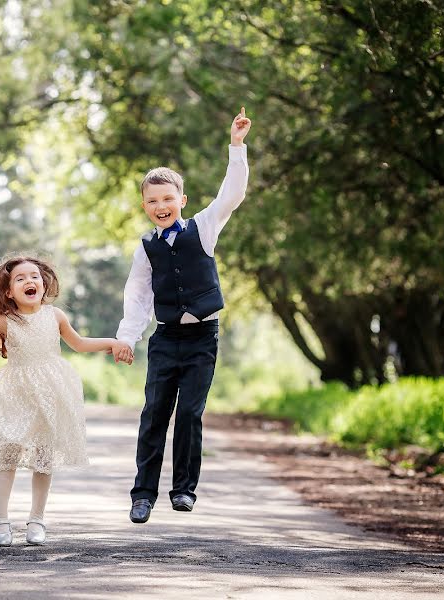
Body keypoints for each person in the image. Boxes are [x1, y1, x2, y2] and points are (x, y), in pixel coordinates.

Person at [115, 108, 252, 523]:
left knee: (190, 413)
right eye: (153, 201)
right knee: (154, 412)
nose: (161, 206)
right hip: (166, 339)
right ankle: (143, 495)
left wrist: (236, 147)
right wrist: (128, 337)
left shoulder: (205, 227)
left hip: (202, 338)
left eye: (168, 199)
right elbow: (137, 295)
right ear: (145, 205)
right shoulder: (146, 248)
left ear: (182, 201)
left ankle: (184, 490)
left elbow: (232, 194)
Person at [0, 255, 131, 545]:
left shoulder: (55, 316)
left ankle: (37, 519)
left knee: (43, 456)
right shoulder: (6, 320)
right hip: (16, 392)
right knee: (9, 453)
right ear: (8, 292)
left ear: (43, 284)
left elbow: (78, 344)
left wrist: (112, 343)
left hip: (51, 392)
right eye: (20, 278)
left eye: (34, 277)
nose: (29, 281)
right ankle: (0, 520)